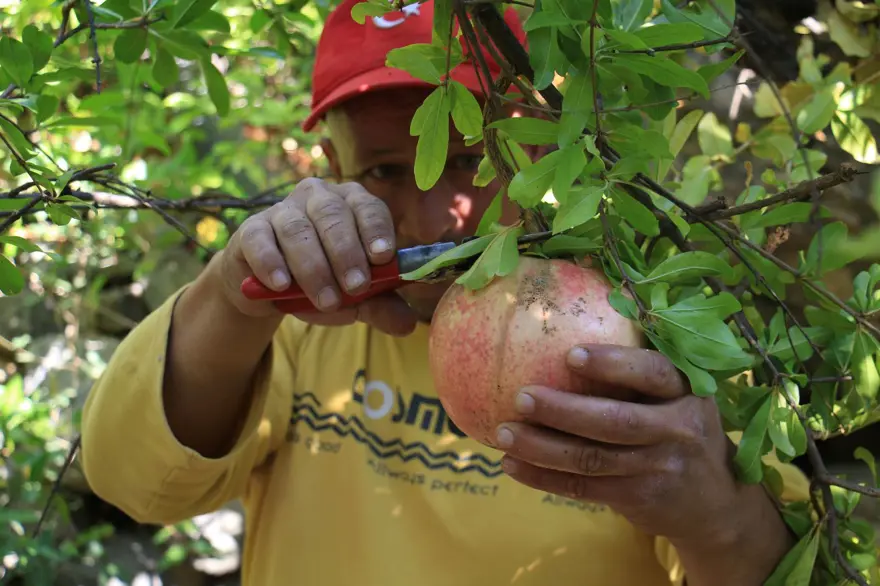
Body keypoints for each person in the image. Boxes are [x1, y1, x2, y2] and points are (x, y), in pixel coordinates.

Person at [80, 1, 811, 584]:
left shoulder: (654, 332)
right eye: (384, 171)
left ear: (543, 147)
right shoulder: (297, 328)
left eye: (467, 157)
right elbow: (135, 482)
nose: (437, 216)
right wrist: (232, 297)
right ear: (332, 166)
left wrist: (715, 518)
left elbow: (779, 562)